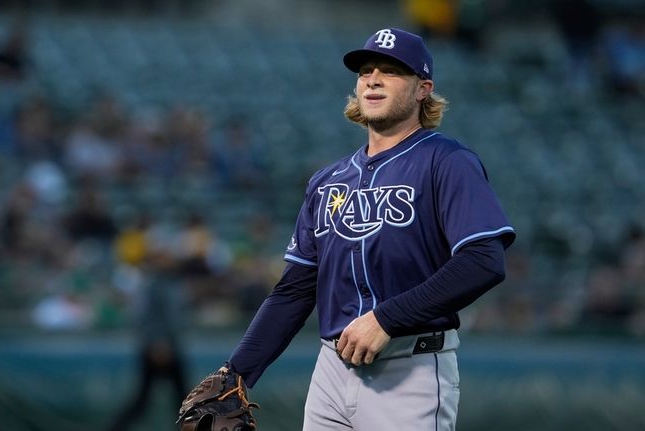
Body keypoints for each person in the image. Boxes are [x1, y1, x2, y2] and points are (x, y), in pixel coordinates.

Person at [215, 27, 516, 430]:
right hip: (330, 371)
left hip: (410, 369)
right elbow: (296, 288)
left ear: (423, 88)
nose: (373, 78)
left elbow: (484, 261)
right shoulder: (328, 181)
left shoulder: (446, 161)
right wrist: (236, 374)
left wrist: (386, 318)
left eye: (391, 71)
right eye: (365, 70)